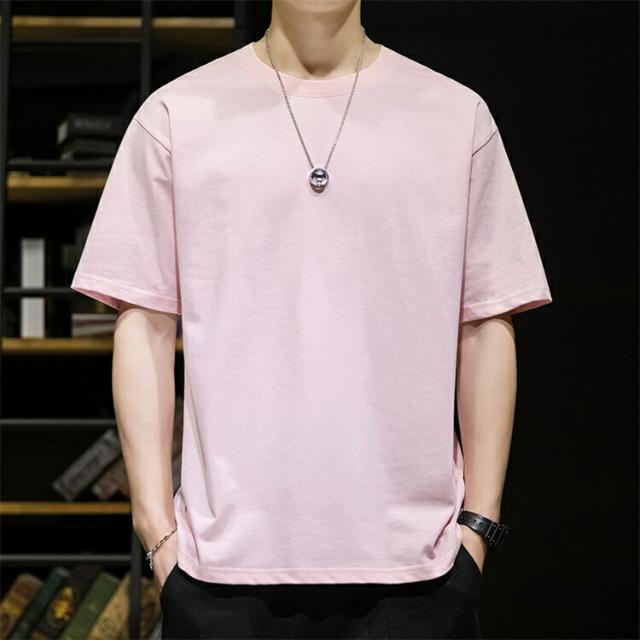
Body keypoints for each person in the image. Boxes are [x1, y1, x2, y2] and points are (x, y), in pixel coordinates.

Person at [70, 1, 553, 638]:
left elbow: (487, 318)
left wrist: (478, 527)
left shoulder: (455, 116)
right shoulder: (175, 115)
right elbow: (143, 322)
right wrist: (158, 536)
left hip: (421, 571)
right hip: (221, 572)